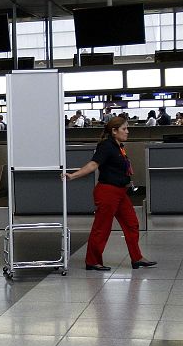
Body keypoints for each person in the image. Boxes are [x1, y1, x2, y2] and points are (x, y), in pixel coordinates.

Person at [63, 116, 156, 271]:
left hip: (120, 192)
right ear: (114, 131)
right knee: (102, 227)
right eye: (124, 129)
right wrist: (73, 175)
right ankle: (92, 261)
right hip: (107, 192)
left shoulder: (119, 146)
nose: (127, 131)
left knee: (132, 224)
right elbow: (93, 164)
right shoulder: (106, 146)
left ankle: (137, 258)